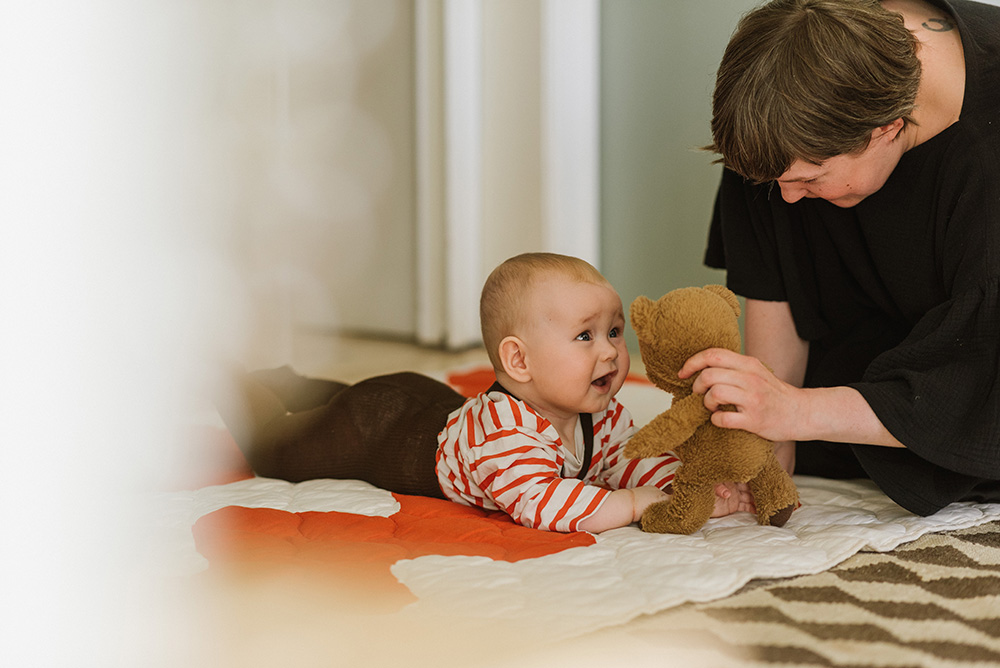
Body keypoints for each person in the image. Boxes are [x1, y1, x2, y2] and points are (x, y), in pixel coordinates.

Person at [695, 0, 1000, 516]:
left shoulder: (984, 158)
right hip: (879, 324)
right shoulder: (810, 66)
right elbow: (773, 261)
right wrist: (771, 421)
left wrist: (799, 411)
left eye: (811, 180)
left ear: (887, 128)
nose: (788, 200)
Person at [218, 253, 754, 533]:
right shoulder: (503, 433)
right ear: (518, 361)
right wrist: (634, 505)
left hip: (422, 402)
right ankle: (237, 386)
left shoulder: (600, 415)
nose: (612, 353)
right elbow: (544, 504)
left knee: (345, 398)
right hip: (380, 429)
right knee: (279, 448)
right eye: (586, 336)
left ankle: (297, 382)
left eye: (614, 332)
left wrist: (689, 486)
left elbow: (627, 463)